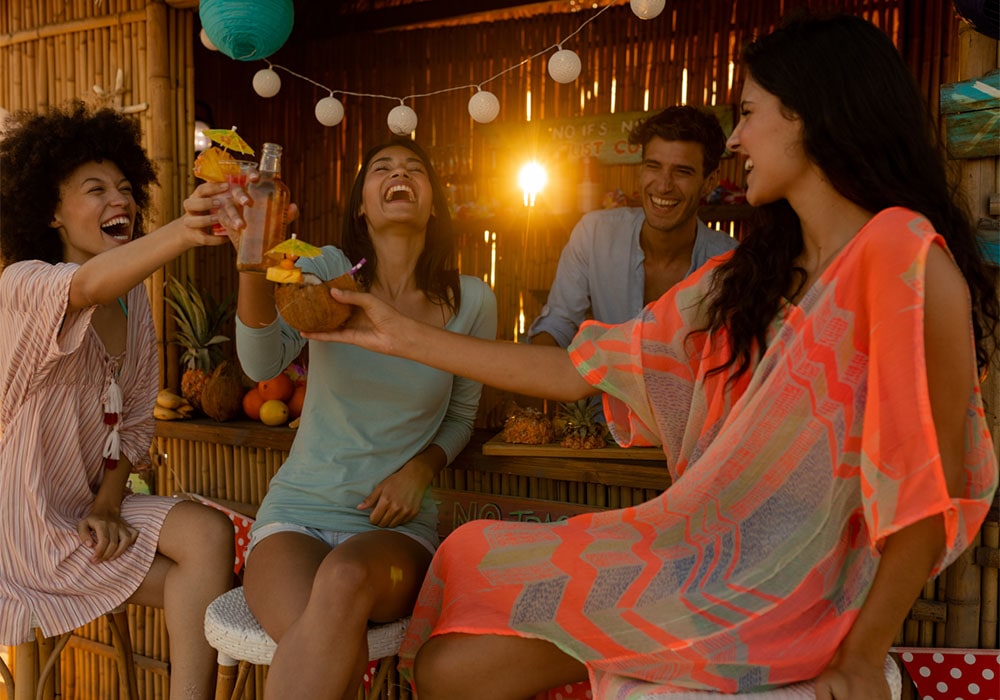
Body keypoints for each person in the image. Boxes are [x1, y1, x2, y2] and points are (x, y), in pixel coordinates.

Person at [305, 14, 999, 700]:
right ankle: (627, 648)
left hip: (786, 598)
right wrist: (398, 333)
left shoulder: (901, 255)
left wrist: (861, 655)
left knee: (463, 663)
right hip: (695, 558)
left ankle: (645, 647)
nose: (736, 139)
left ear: (811, 115)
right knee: (448, 656)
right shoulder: (747, 278)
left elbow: (925, 489)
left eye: (750, 113)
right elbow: (576, 369)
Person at [226, 137, 497, 699]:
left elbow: (461, 416)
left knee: (344, 583)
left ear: (433, 203)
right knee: (326, 644)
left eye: (414, 168)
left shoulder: (472, 300)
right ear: (361, 205)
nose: (399, 173)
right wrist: (254, 264)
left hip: (393, 533)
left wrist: (420, 469)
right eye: (382, 168)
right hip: (295, 514)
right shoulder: (330, 272)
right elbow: (261, 363)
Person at [0, 102, 237, 699]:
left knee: (208, 536)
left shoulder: (134, 309)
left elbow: (130, 432)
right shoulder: (23, 285)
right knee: (197, 580)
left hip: (84, 511)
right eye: (95, 188)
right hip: (22, 523)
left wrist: (108, 507)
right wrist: (183, 231)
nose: (121, 201)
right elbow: (83, 287)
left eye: (127, 188)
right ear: (52, 211)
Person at [528, 105, 738, 348]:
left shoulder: (730, 265)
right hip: (601, 387)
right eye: (653, 166)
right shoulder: (595, 234)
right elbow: (558, 324)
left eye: (682, 171)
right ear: (641, 170)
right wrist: (534, 375)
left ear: (708, 183)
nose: (663, 186)